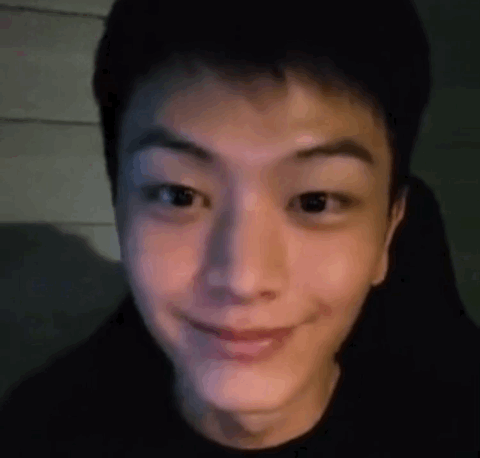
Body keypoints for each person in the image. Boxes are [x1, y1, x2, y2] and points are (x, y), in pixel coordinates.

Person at [0, 0, 478, 456]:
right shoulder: (34, 434)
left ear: (389, 232)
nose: (243, 279)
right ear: (121, 209)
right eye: (179, 195)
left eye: (315, 202)